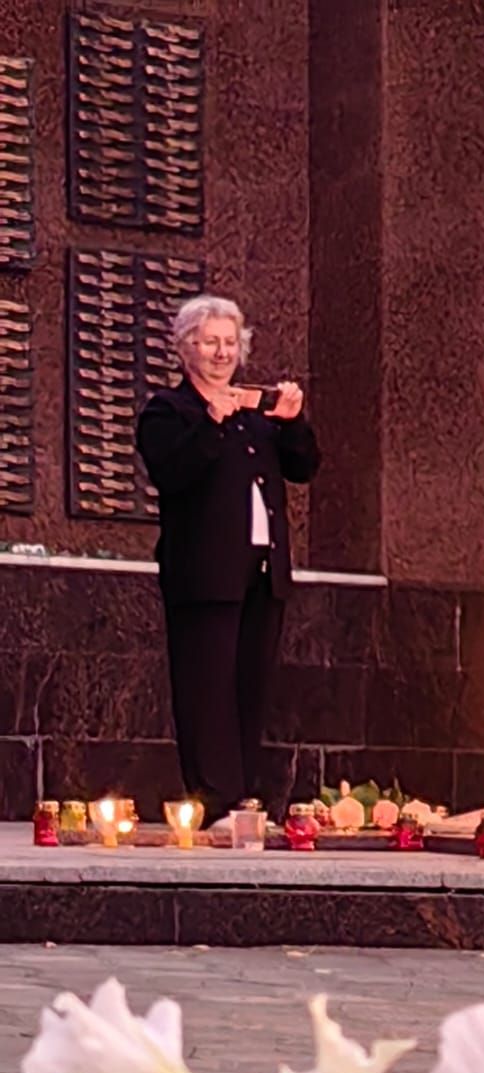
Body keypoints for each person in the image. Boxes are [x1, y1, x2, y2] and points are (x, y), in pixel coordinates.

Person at [137, 295, 320, 824]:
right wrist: (212, 423)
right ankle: (211, 797)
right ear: (185, 347)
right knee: (205, 687)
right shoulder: (169, 412)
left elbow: (303, 466)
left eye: (230, 342)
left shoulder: (255, 415)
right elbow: (175, 474)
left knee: (249, 685)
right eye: (211, 341)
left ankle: (243, 798)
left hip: (262, 573)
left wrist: (291, 421)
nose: (222, 352)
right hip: (204, 574)